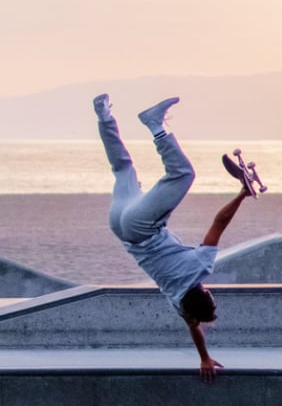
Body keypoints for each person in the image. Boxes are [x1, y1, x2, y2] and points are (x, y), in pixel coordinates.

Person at [94, 94, 255, 382]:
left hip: (141, 226)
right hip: (120, 226)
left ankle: (155, 124)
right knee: (122, 169)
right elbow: (193, 325)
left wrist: (242, 195)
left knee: (182, 174)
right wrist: (204, 357)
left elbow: (219, 222)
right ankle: (104, 115)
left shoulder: (200, 266)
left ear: (206, 292)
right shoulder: (176, 300)